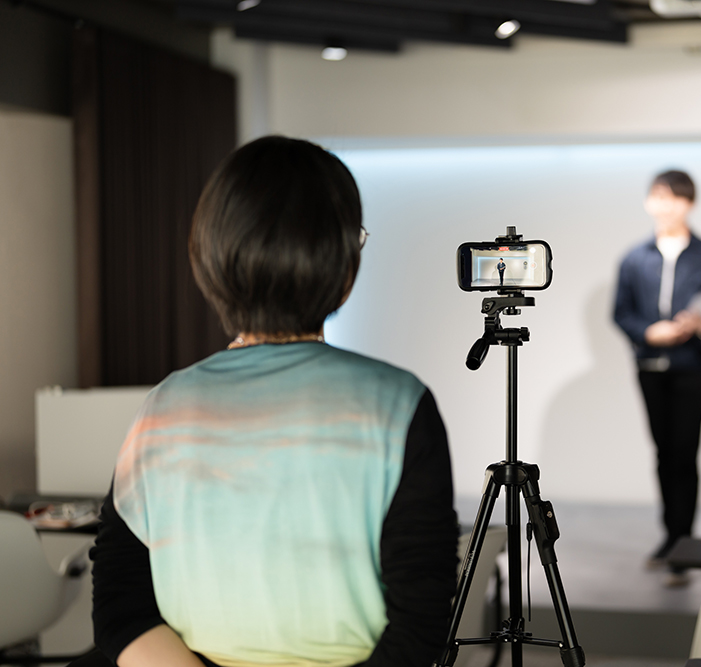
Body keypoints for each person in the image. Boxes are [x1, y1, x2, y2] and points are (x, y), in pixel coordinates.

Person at [81, 136, 458, 667]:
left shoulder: (164, 407)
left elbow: (121, 606)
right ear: (344, 271)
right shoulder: (398, 404)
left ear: (208, 262)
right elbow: (420, 625)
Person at [613, 170, 701, 587]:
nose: (666, 206)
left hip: (690, 366)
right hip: (650, 366)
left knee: (685, 451)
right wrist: (650, 332)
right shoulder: (634, 258)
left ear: (690, 204)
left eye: (676, 199)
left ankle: (682, 540)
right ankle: (672, 536)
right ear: (649, 202)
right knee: (664, 451)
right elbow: (621, 312)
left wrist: (699, 325)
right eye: (659, 197)